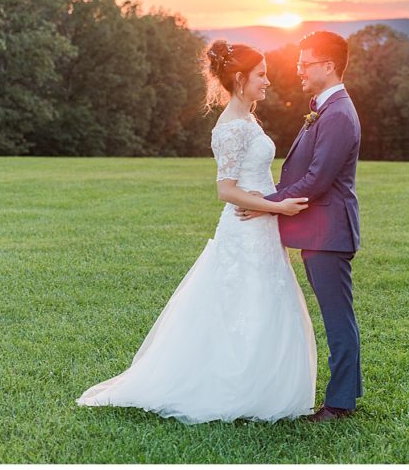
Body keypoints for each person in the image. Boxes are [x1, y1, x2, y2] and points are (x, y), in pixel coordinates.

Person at [76, 40, 317, 424]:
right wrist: (277, 207)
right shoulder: (230, 129)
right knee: (243, 301)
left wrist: (274, 206)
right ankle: (231, 387)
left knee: (265, 299)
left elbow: (255, 178)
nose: (268, 82)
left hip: (262, 229)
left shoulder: (249, 119)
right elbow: (226, 190)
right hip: (245, 229)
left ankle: (260, 383)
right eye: (261, 75)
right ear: (240, 79)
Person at [235, 30, 363, 422]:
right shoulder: (326, 108)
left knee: (337, 317)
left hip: (328, 233)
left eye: (304, 64)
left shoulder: (339, 113)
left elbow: (317, 179)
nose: (299, 71)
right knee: (337, 315)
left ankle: (340, 404)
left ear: (327, 66)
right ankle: (346, 394)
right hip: (319, 231)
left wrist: (264, 205)